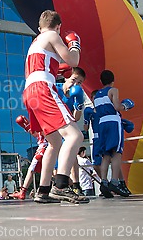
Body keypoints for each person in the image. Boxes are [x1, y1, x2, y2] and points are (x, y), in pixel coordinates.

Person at [22, 10, 88, 204]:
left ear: (39, 27)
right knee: (75, 136)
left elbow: (57, 63)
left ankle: (43, 191)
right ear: (58, 26)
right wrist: (74, 43)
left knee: (54, 142)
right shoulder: (52, 35)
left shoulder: (37, 42)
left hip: (30, 91)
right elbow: (73, 61)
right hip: (42, 87)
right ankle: (60, 186)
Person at [94, 70, 134, 198]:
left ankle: (104, 182)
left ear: (101, 81)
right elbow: (117, 106)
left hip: (101, 124)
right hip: (112, 121)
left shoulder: (96, 95)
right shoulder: (113, 90)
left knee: (106, 154)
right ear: (113, 80)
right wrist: (125, 106)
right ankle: (115, 182)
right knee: (117, 153)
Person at [55, 66, 86, 195]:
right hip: (55, 126)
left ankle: (75, 184)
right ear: (67, 77)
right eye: (73, 80)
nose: (75, 84)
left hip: (67, 126)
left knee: (72, 154)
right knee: (56, 157)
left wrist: (78, 105)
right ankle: (57, 185)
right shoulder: (55, 88)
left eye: (79, 82)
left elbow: (76, 118)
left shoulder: (76, 95)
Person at [12, 115, 48, 200]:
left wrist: (28, 127)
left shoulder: (44, 122)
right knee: (49, 171)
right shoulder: (44, 121)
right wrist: (27, 127)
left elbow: (41, 133)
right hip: (48, 147)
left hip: (44, 147)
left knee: (31, 169)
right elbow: (37, 134)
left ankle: (23, 192)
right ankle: (69, 187)